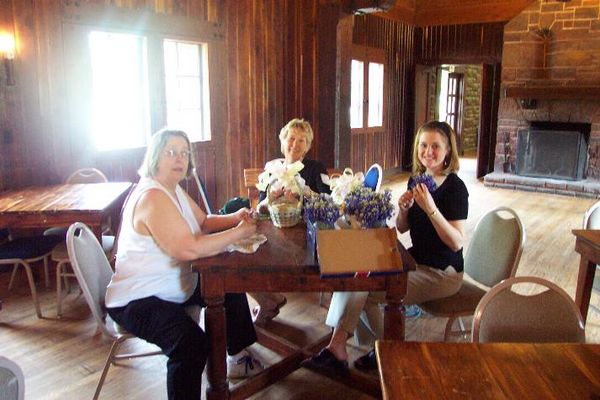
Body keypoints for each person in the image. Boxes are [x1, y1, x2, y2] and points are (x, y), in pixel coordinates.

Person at [105, 129, 263, 400]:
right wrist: (239, 233)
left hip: (173, 285)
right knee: (190, 345)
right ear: (155, 156)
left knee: (228, 282)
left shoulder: (172, 188)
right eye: (170, 152)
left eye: (184, 153)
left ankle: (236, 355)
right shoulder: (152, 197)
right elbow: (189, 248)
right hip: (139, 299)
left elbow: (203, 222)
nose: (179, 159)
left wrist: (234, 217)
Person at [302, 120, 469, 376]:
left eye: (436, 146)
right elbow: (402, 228)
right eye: (423, 145)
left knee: (363, 287)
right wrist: (404, 210)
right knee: (355, 273)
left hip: (442, 272)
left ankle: (345, 349)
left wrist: (431, 209)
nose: (429, 151)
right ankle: (380, 349)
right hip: (415, 260)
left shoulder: (456, 187)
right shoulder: (418, 179)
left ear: (448, 151)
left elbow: (457, 242)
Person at [251, 118, 331, 325]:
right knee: (244, 255)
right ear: (283, 141)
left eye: (302, 140)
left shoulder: (316, 168)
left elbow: (328, 201)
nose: (295, 144)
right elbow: (259, 208)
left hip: (306, 235)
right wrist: (271, 200)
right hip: (273, 231)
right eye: (291, 138)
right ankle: (268, 298)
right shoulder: (272, 169)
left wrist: (303, 194)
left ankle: (270, 300)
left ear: (308, 146)